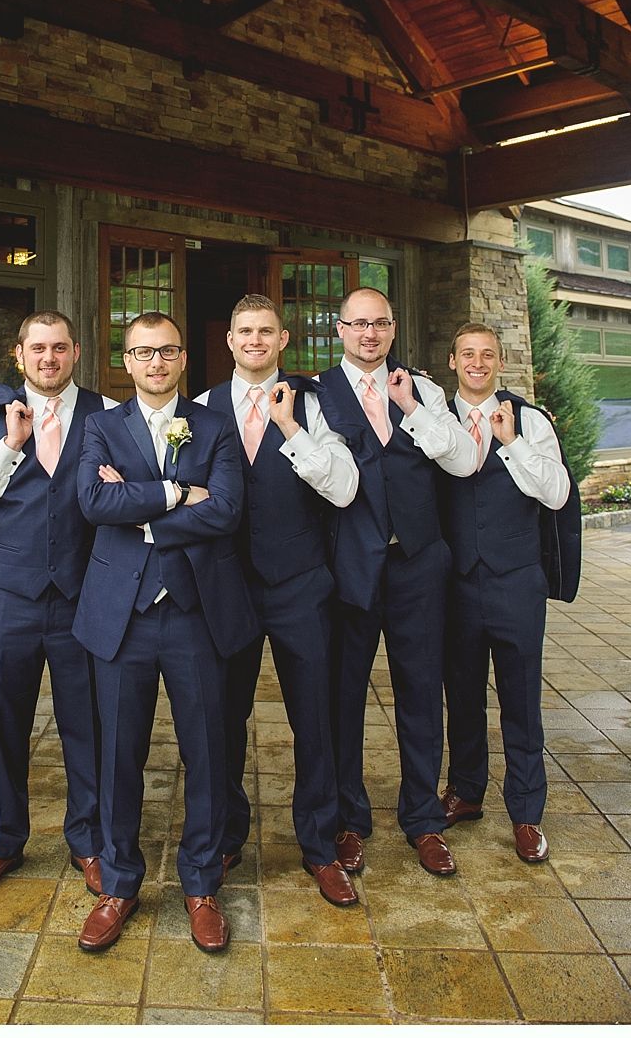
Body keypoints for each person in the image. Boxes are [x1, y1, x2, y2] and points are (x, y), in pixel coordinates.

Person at [72, 313, 258, 954]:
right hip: (120, 616)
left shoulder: (215, 424)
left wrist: (142, 509)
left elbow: (227, 510)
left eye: (168, 351)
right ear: (126, 361)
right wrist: (179, 493)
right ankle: (119, 883)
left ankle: (201, 884)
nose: (156, 362)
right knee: (118, 756)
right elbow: (93, 504)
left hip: (195, 614)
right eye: (144, 352)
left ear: (183, 359)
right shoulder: (100, 426)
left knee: (207, 753)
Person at [0, 311, 117, 899]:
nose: (48, 358)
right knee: (5, 724)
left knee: (86, 728)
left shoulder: (107, 416)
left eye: (59, 348)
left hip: (81, 599)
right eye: (37, 348)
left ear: (76, 353)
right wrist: (10, 447)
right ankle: (2, 840)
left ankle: (89, 839)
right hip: (8, 597)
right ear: (19, 355)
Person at [195, 294, 360, 907]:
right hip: (226, 588)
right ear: (230, 340)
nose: (255, 341)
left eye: (266, 331)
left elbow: (344, 489)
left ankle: (319, 844)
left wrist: (291, 428)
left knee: (314, 718)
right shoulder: (201, 408)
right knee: (222, 718)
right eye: (245, 331)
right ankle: (226, 834)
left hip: (299, 585)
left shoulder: (311, 406)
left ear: (283, 339)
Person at [314, 287, 478, 878]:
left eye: (380, 323)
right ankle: (348, 819)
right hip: (351, 567)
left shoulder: (425, 390)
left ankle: (424, 818)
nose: (370, 333)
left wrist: (413, 408)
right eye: (359, 323)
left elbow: (462, 461)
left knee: (421, 692)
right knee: (344, 697)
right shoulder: (316, 395)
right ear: (339, 330)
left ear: (393, 327)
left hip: (418, 565)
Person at [440, 322, 572, 864]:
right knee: (462, 695)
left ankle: (526, 811)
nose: (478, 363)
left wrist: (511, 442)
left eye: (487, 354)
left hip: (516, 581)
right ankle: (467, 790)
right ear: (452, 361)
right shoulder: (432, 417)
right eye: (468, 354)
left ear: (500, 362)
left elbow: (557, 494)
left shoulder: (530, 420)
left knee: (520, 700)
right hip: (454, 583)